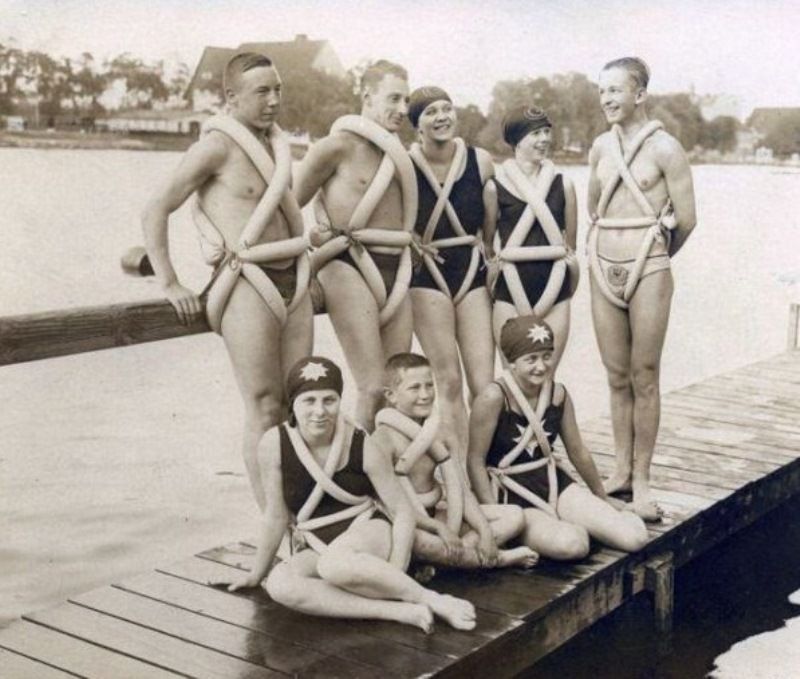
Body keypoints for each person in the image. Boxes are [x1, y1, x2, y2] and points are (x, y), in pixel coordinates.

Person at [141, 53, 313, 510]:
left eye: (278, 90)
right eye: (262, 92)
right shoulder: (215, 147)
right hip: (247, 284)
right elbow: (155, 208)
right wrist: (170, 283)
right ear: (232, 98)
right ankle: (273, 521)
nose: (274, 100)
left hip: (295, 280)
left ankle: (304, 516)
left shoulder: (278, 145)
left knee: (301, 400)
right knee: (264, 404)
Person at [209, 356, 477, 632]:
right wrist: (256, 574)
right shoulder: (273, 444)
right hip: (317, 541)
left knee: (335, 564)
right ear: (293, 404)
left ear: (340, 400)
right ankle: (399, 611)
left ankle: (434, 600)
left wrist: (397, 568)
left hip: (369, 531)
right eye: (309, 401)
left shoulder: (361, 443)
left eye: (329, 400)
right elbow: (276, 517)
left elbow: (402, 512)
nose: (319, 411)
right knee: (280, 583)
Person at [587, 57, 697, 520]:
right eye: (602, 91)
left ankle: (644, 479)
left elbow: (686, 220)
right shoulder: (599, 147)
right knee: (616, 376)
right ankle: (621, 471)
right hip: (602, 265)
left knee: (644, 374)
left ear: (640, 94)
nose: (607, 99)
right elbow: (594, 210)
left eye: (615, 90)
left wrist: (656, 257)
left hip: (648, 265)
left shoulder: (667, 149)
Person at [294, 60, 418, 431]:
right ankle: (359, 463)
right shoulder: (335, 147)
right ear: (367, 96)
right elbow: (287, 208)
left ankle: (387, 463)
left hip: (395, 270)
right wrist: (308, 247)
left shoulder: (400, 158)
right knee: (373, 387)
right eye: (393, 98)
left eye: (406, 100)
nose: (402, 109)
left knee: (399, 389)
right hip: (346, 265)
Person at [467, 315, 649, 560]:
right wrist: (496, 517)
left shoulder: (558, 394)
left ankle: (616, 515)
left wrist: (601, 496)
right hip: (511, 494)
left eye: (546, 356)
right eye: (531, 359)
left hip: (553, 482)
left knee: (634, 538)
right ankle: (571, 529)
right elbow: (475, 461)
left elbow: (578, 451)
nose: (541, 366)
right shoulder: (493, 397)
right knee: (573, 545)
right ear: (511, 362)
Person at [371, 353, 539, 569]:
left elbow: (461, 490)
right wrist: (439, 529)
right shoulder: (383, 439)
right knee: (419, 542)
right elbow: (390, 504)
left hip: (437, 514)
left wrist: (485, 532)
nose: (425, 395)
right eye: (414, 388)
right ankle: (498, 559)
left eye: (429, 386)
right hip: (404, 520)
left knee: (514, 516)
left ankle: (450, 557)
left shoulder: (442, 431)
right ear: (391, 395)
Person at [405, 86, 497, 458]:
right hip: (427, 274)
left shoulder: (481, 161)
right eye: (431, 112)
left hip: (471, 270)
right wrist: (408, 237)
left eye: (447, 108)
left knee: (485, 385)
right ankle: (458, 470)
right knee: (448, 381)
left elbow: (499, 216)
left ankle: (485, 466)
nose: (442, 116)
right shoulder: (404, 165)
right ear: (417, 125)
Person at [492, 106, 579, 367]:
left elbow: (570, 247)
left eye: (546, 132)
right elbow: (487, 244)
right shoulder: (494, 188)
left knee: (547, 372)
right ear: (517, 140)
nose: (544, 139)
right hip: (510, 291)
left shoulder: (564, 185)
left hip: (554, 292)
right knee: (513, 374)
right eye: (536, 133)